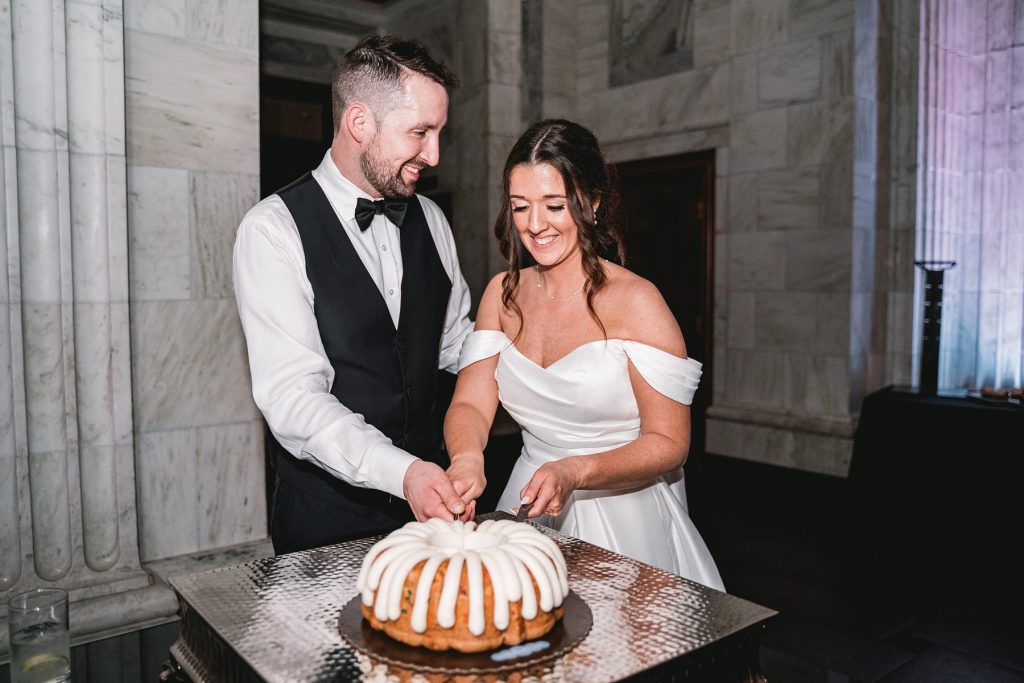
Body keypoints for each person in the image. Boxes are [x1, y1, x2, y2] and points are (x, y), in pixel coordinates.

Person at [444, 119, 723, 587]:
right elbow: (471, 402)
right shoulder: (501, 294)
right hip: (527, 499)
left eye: (554, 205)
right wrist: (467, 457)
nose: (535, 225)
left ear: (591, 201)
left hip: (623, 513)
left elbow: (670, 443)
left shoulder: (637, 302)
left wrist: (577, 471)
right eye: (520, 207)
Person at [233, 35, 473, 554]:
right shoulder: (272, 229)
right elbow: (294, 399)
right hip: (326, 526)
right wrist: (403, 473)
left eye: (439, 133)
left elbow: (457, 345)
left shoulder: (431, 219)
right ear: (360, 123)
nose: (433, 155)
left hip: (436, 516)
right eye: (421, 132)